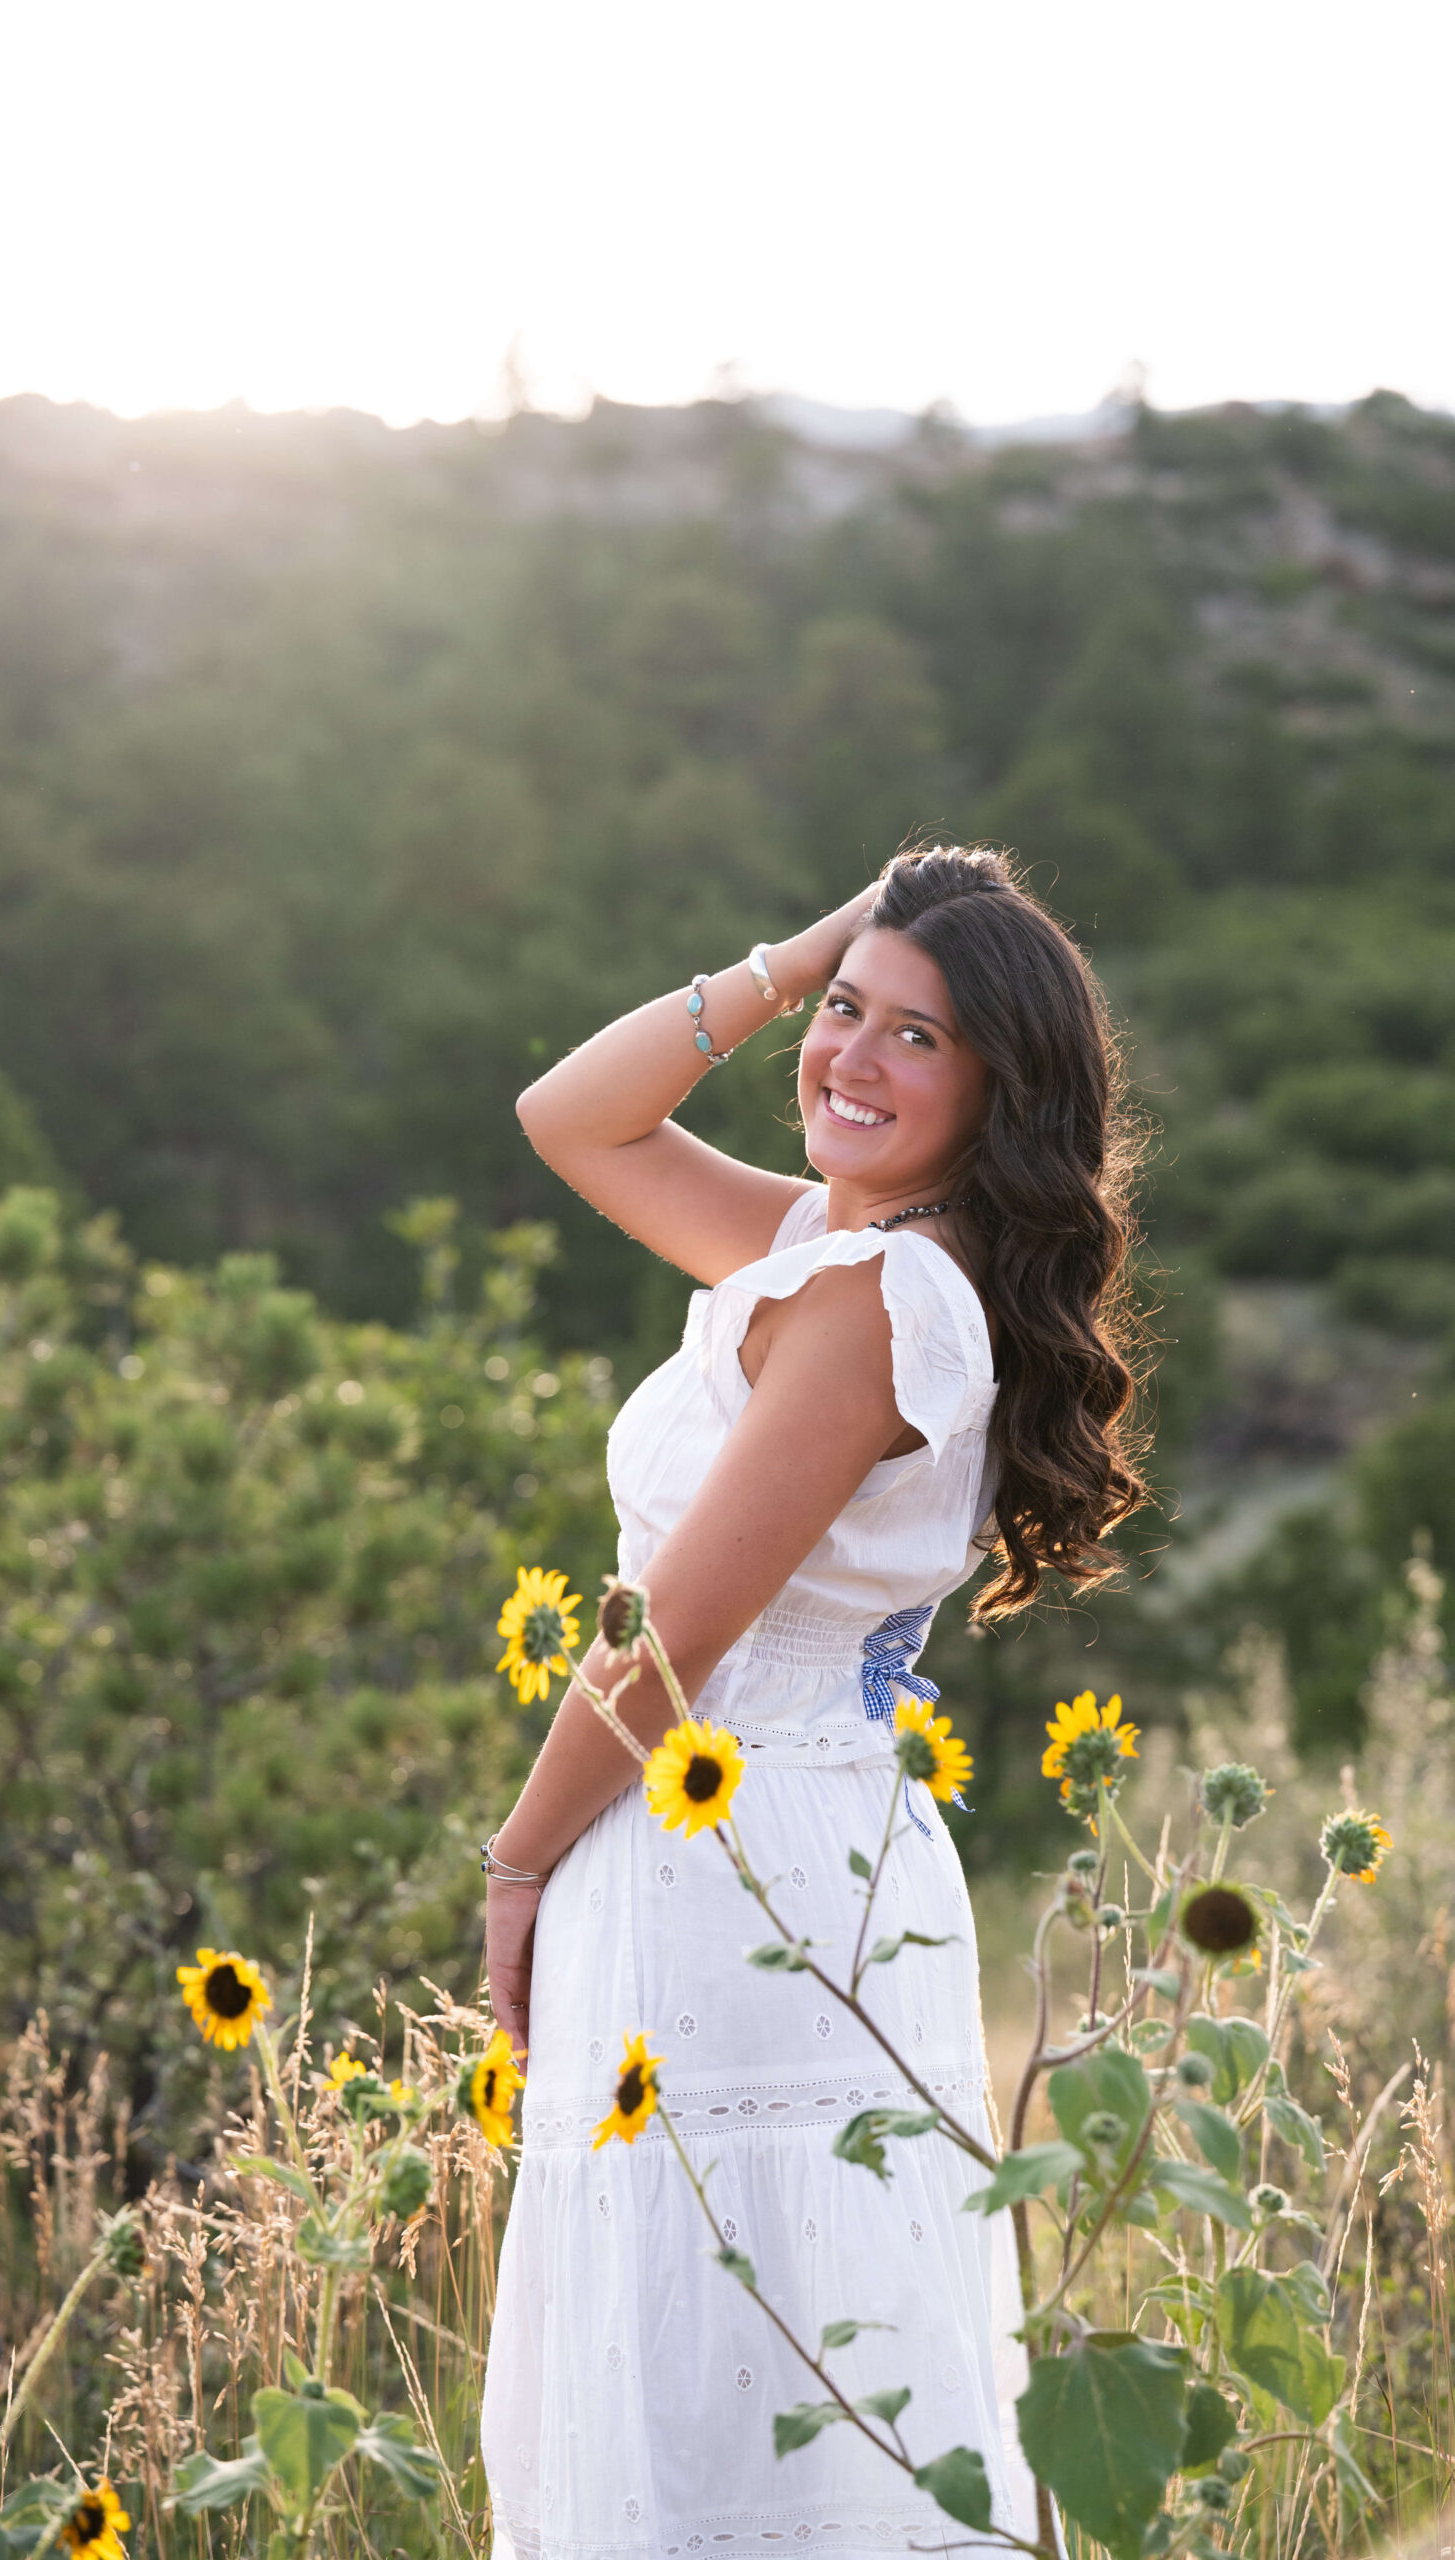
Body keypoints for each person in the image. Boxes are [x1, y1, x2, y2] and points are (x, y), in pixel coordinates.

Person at [479, 846, 1147, 2559]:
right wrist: (803, 955)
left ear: (1001, 1087)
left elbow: (670, 1649)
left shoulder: (866, 1301)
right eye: (846, 1015)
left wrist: (517, 1862)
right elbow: (572, 1117)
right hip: (784, 1832)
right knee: (749, 2326)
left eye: (915, 1039)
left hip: (735, 1844)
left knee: (753, 2333)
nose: (850, 1057)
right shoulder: (833, 1246)